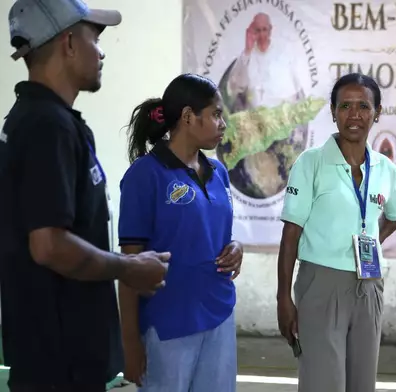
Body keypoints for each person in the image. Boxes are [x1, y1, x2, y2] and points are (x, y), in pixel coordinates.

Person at [0, 1, 171, 391]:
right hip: (61, 362)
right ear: (69, 43)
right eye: (95, 37)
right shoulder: (47, 126)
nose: (102, 51)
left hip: (55, 353)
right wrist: (128, 267)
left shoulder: (35, 118)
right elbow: (48, 245)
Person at [276, 73, 396, 392]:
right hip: (321, 285)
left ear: (378, 112)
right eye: (345, 106)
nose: (355, 114)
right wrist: (283, 297)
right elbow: (291, 235)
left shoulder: (386, 170)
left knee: (362, 384)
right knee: (323, 383)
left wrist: (372, 241)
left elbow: (394, 215)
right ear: (332, 112)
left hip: (369, 286)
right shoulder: (312, 162)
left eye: (364, 105)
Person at [118, 73, 242, 392]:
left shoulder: (219, 173)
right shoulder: (145, 175)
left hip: (218, 313)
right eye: (215, 114)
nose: (223, 123)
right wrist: (130, 341)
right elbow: (129, 266)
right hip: (168, 322)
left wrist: (236, 248)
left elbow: (217, 234)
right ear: (188, 117)